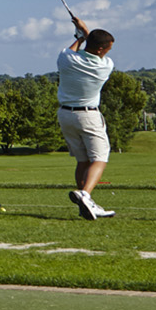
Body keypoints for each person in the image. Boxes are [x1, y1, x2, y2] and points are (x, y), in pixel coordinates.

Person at [59, 14, 117, 219]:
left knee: (82, 160)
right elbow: (91, 50)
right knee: (100, 158)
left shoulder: (65, 59)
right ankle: (85, 194)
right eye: (108, 48)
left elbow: (72, 50)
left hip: (65, 115)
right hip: (88, 116)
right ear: (101, 50)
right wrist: (85, 31)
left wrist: (81, 36)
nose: (109, 52)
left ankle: (86, 204)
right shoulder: (105, 65)